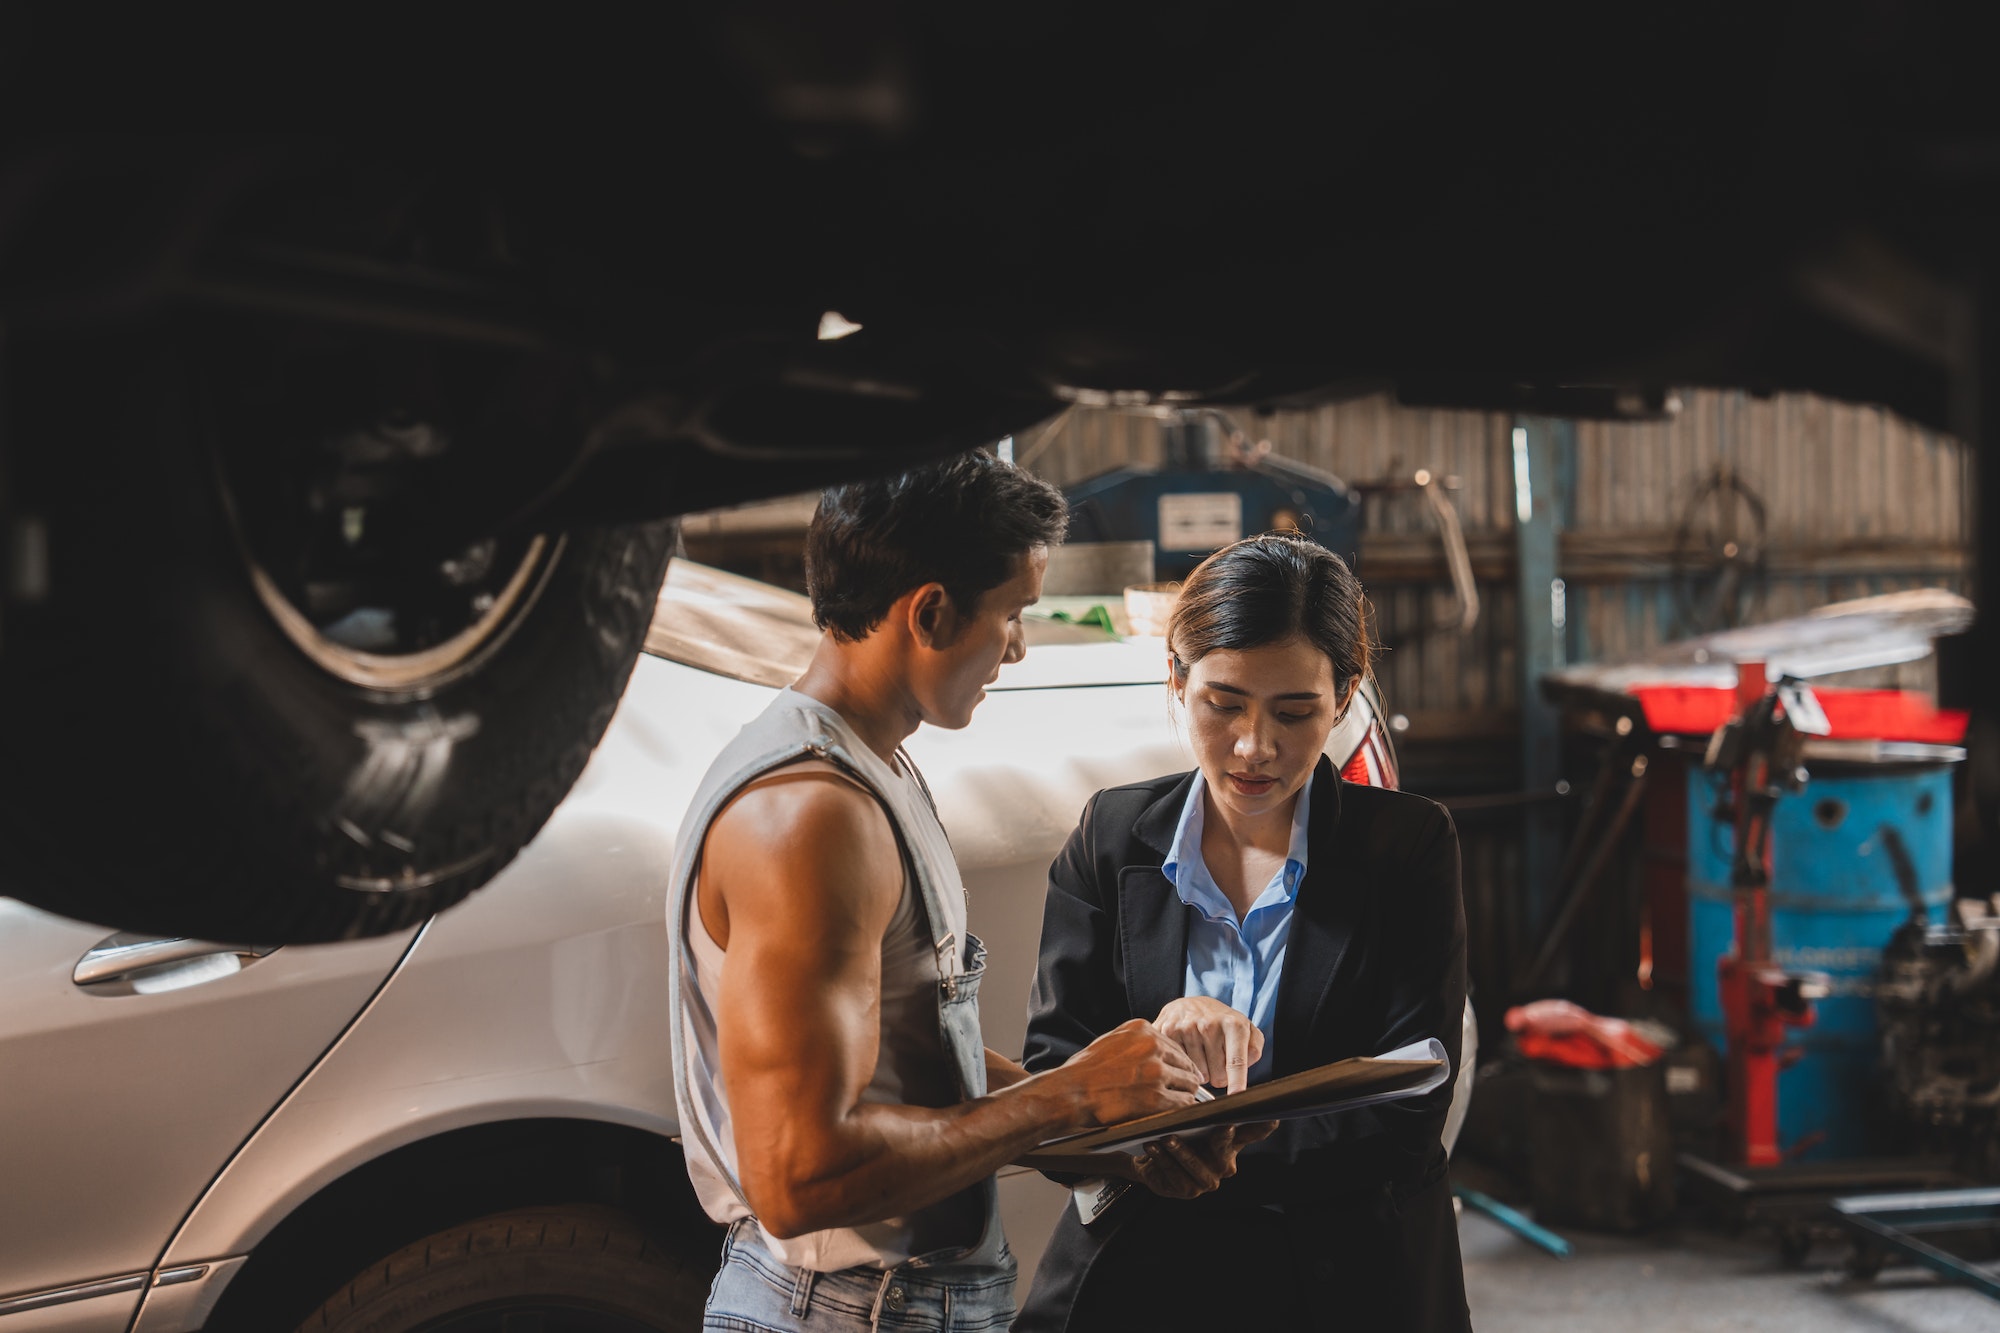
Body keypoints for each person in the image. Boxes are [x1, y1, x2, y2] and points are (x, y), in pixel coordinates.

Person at [666, 453, 1247, 1333]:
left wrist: (1112, 1133)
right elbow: (799, 1175)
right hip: (850, 1311)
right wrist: (1067, 1096)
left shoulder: (872, 767)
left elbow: (921, 1061)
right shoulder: (809, 818)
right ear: (931, 612)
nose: (1017, 646)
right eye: (1011, 615)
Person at [1015, 532, 1472, 1333]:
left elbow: (1408, 1104)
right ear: (1176, 680)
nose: (1253, 747)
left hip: (1343, 1276)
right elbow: (1053, 1071)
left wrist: (1188, 1151)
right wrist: (1151, 1059)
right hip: (1142, 1267)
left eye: (1294, 712)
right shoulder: (1112, 835)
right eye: (1222, 703)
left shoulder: (1406, 847)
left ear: (1346, 694)